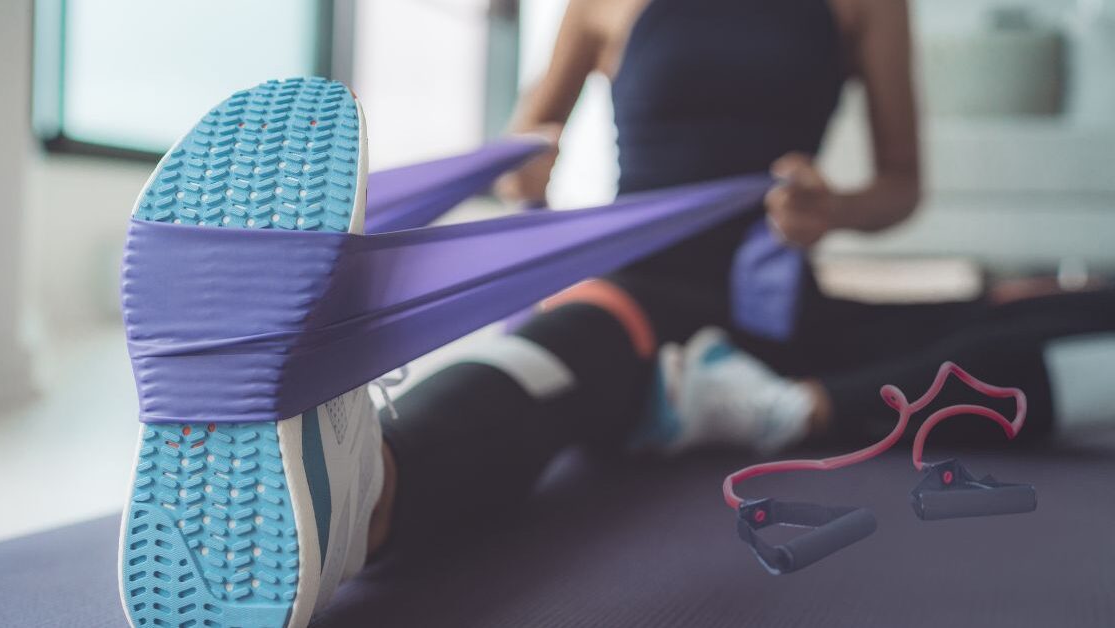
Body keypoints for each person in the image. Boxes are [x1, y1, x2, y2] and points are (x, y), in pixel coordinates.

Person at [366, 0, 1115, 556]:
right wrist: (525, 168)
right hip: (638, 296)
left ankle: (788, 406)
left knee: (1060, 316)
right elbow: (526, 146)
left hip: (780, 314)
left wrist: (833, 208)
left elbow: (902, 184)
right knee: (547, 358)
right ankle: (363, 493)